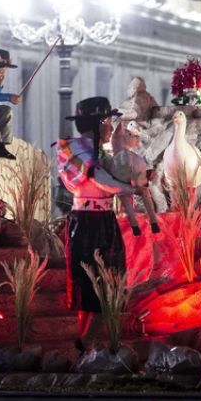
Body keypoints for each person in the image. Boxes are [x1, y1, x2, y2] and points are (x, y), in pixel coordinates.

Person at [55, 96, 137, 351]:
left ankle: (88, 341)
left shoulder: (98, 152)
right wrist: (128, 187)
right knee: (89, 283)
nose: (110, 128)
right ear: (96, 123)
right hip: (87, 222)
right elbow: (98, 179)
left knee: (110, 280)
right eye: (107, 122)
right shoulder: (74, 150)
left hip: (104, 220)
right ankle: (85, 341)